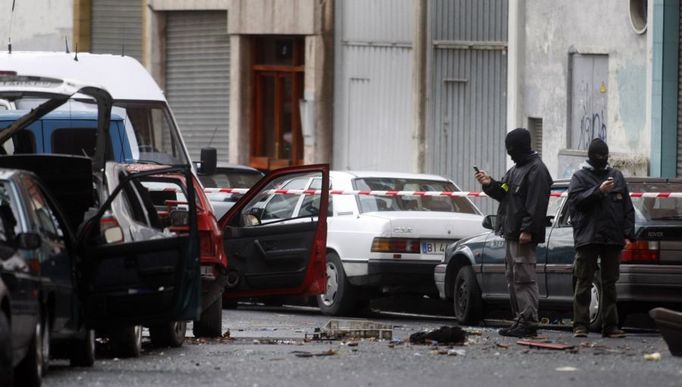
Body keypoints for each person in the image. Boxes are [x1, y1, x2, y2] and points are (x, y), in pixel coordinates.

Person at [474, 128, 553, 338]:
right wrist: (490, 184)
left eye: (512, 150)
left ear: (521, 147)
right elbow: (505, 192)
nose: (510, 154)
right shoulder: (516, 169)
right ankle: (519, 319)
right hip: (511, 233)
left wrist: (527, 229)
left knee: (524, 277)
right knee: (514, 277)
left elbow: (535, 204)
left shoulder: (536, 170)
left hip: (522, 236)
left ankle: (528, 321)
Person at [567, 138, 635, 338]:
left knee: (610, 283)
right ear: (590, 156)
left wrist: (628, 233)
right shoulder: (579, 177)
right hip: (588, 237)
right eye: (598, 156)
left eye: (605, 156)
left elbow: (627, 208)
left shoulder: (617, 176)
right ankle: (580, 325)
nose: (602, 159)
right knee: (584, 281)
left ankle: (611, 326)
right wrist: (598, 192)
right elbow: (576, 202)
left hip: (612, 237)